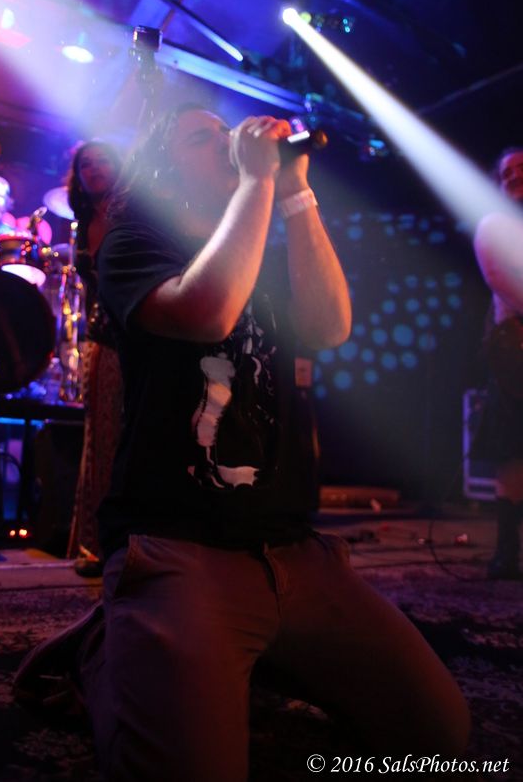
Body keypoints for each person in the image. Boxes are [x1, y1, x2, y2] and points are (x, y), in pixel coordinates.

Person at [64, 104, 469, 781]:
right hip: (179, 548)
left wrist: (295, 193)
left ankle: (246, 657)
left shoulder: (266, 246)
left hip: (295, 552)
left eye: (230, 135)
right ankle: (107, 653)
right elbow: (206, 311)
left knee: (439, 738)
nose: (229, 144)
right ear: (163, 170)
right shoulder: (133, 244)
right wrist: (255, 181)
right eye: (204, 138)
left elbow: (330, 326)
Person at [64, 140, 125, 577]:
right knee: (100, 442)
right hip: (103, 339)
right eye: (87, 164)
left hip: (141, 334)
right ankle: (96, 543)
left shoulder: (134, 215)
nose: (95, 168)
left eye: (104, 161)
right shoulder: (82, 223)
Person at [473, 146, 523, 579]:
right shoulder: (495, 224)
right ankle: (507, 552)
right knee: (513, 448)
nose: (516, 177)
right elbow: (501, 279)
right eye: (508, 173)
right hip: (514, 345)